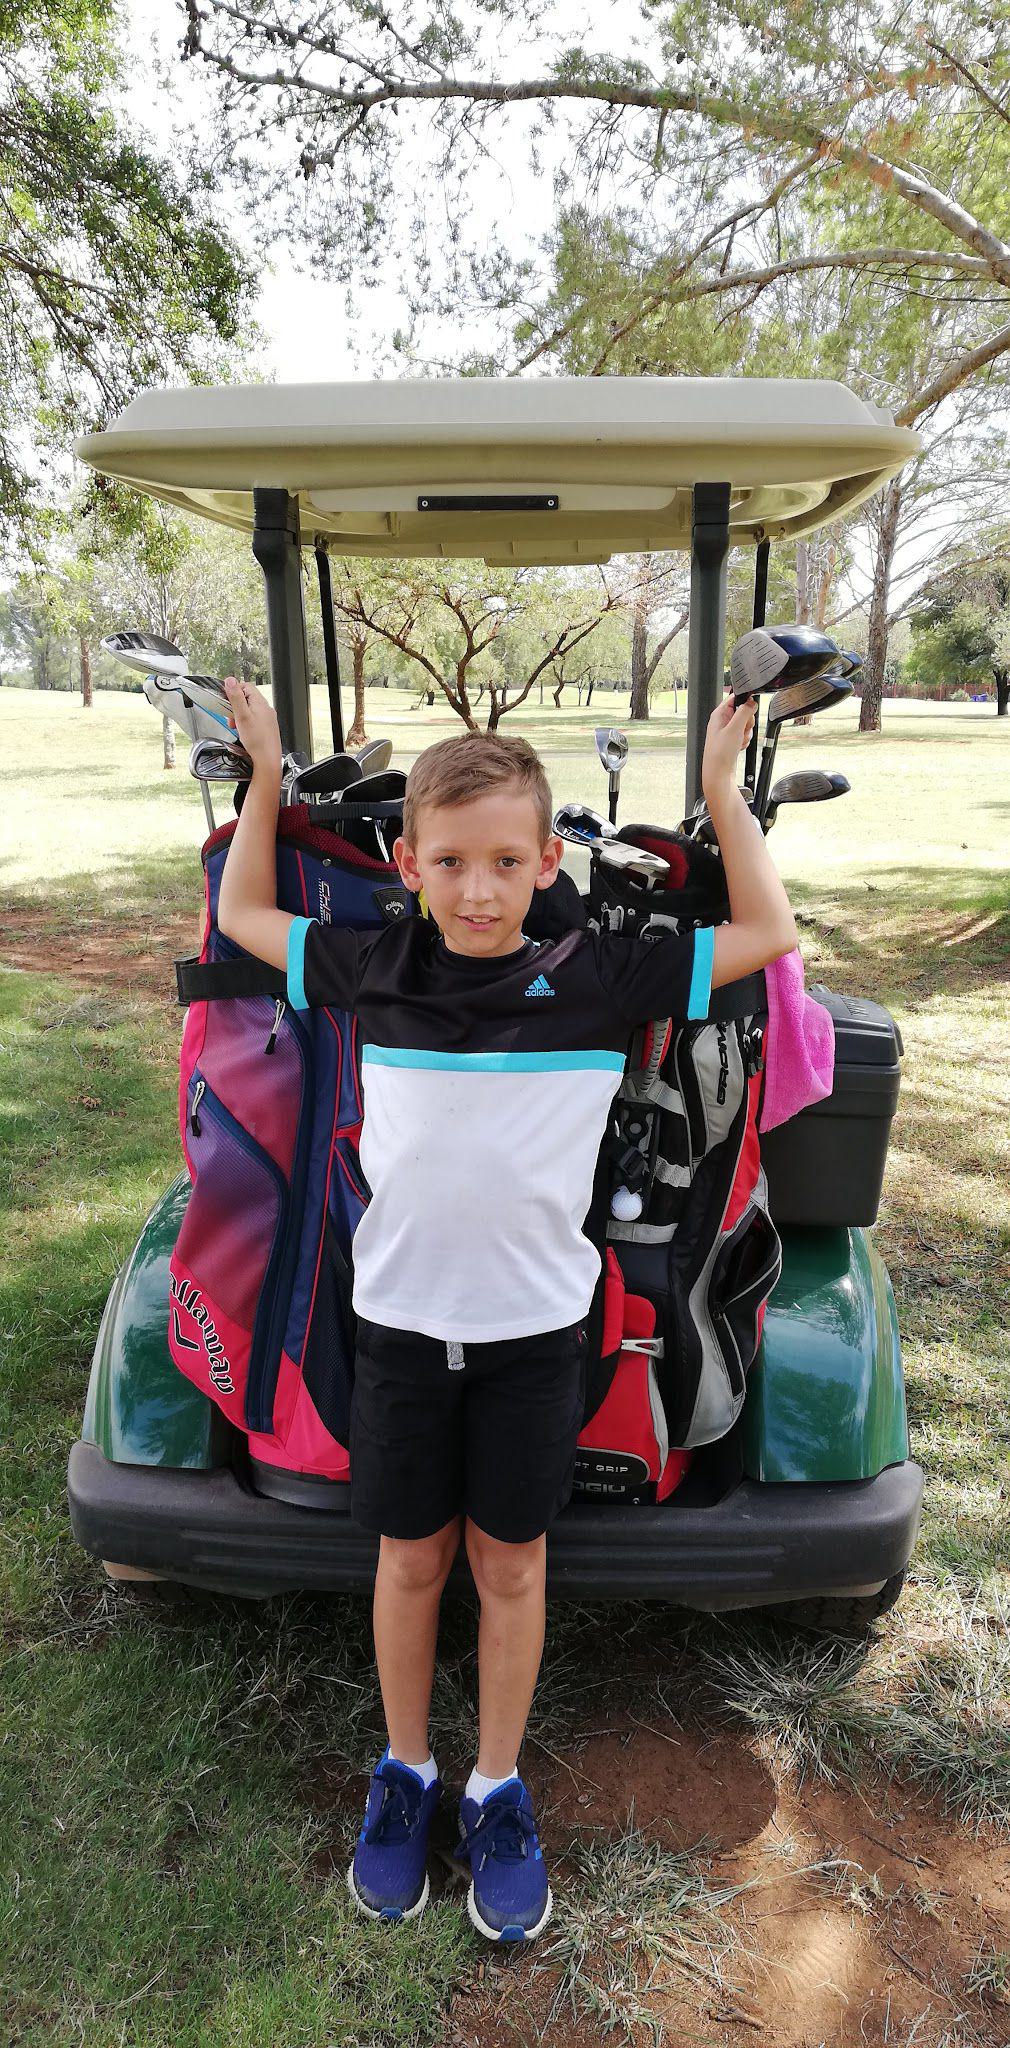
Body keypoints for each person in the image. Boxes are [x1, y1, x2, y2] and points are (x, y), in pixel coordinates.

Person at [217, 676, 796, 1944]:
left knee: (511, 1562)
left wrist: (715, 794)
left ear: (544, 861)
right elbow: (245, 912)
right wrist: (266, 775)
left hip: (538, 1335)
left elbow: (768, 928)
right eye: (448, 861)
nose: (476, 889)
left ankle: (494, 1785)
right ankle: (405, 1770)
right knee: (412, 1556)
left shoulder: (605, 972)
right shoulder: (375, 961)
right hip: (405, 1331)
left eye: (502, 861)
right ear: (408, 864)